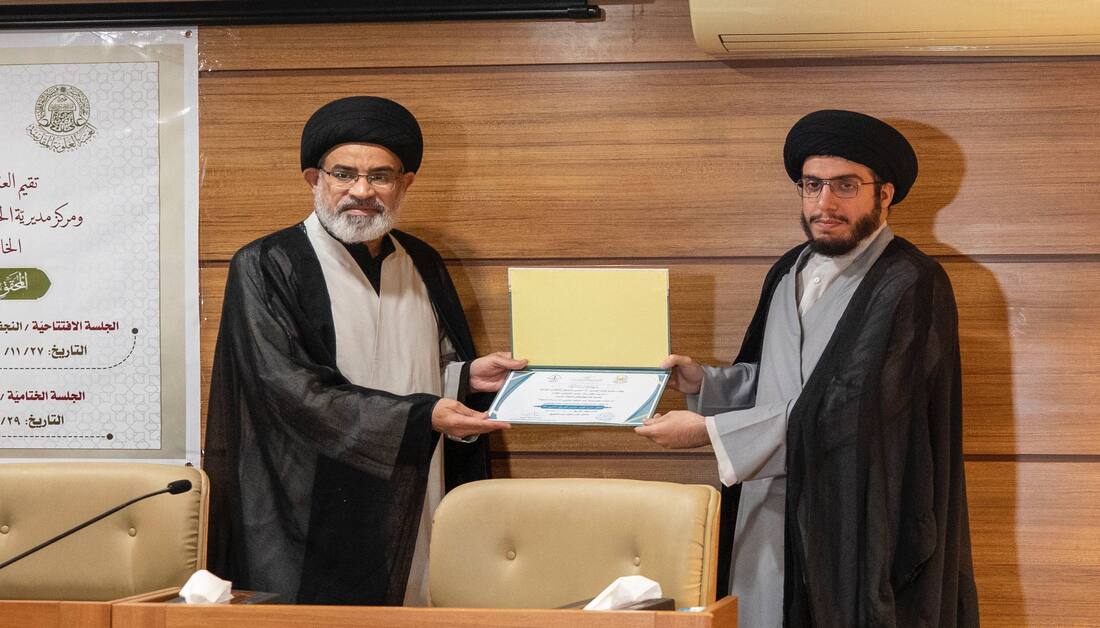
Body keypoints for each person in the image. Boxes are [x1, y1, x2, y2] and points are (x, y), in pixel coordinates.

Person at [637, 110, 979, 626]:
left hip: (852, 519)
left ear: (885, 194)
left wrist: (710, 432)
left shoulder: (910, 283)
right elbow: (775, 380)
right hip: (767, 509)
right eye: (812, 185)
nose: (824, 203)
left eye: (845, 185)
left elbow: (857, 411)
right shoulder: (787, 269)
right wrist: (706, 382)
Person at [203, 96, 525, 606]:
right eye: (344, 174)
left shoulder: (422, 261)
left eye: (380, 176)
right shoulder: (267, 264)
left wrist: (466, 378)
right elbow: (287, 391)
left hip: (410, 481)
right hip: (306, 499)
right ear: (314, 179)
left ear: (405, 183)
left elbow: (427, 363)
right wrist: (421, 416)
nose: (361, 191)